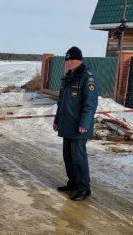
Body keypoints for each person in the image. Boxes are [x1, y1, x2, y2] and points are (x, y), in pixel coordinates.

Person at [53, 46, 98, 201]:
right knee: (68, 156)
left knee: (79, 158)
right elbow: (61, 102)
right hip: (67, 124)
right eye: (67, 60)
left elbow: (90, 103)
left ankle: (84, 188)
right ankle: (72, 183)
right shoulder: (68, 77)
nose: (69, 62)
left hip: (79, 126)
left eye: (72, 59)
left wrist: (85, 123)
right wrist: (57, 120)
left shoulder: (87, 77)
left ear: (79, 60)